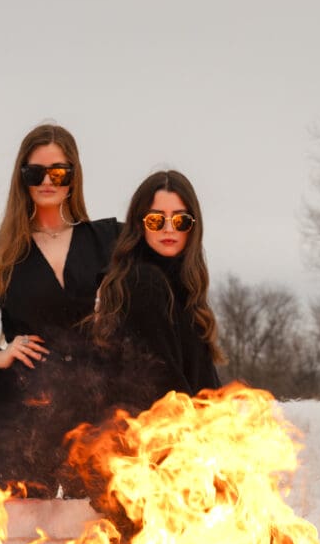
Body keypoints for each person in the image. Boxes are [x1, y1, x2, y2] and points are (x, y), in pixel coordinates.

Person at [0, 123, 120, 498]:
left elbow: (159, 266)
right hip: (21, 419)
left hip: (94, 419)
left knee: (99, 542)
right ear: (22, 178)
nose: (47, 181)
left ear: (73, 176)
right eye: (35, 172)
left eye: (59, 172)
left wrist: (116, 316)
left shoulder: (107, 241)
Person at [93, 168, 223, 411]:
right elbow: (163, 382)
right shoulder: (141, 281)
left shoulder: (185, 290)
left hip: (188, 434)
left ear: (193, 227)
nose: (168, 228)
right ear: (140, 225)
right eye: (156, 219)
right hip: (154, 438)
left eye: (180, 220)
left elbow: (204, 384)